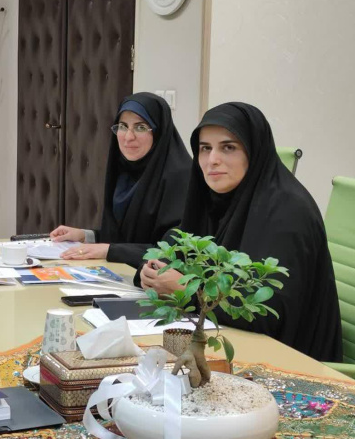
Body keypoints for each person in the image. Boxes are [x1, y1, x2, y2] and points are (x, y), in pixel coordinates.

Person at [137, 102, 342, 362]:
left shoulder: (288, 210)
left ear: (253, 152)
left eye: (228, 147)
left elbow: (267, 313)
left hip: (292, 362)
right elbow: (177, 245)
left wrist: (185, 288)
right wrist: (153, 272)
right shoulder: (217, 198)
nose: (212, 160)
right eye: (205, 148)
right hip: (230, 344)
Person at [50, 92, 191, 266]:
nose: (128, 137)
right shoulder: (125, 172)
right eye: (123, 126)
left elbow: (173, 252)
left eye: (140, 127)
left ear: (159, 132)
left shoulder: (180, 177)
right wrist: (85, 236)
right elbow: (127, 238)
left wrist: (109, 250)